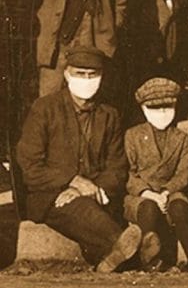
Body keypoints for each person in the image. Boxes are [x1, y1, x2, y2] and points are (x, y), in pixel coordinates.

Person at [16, 46, 140, 273]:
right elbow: (30, 166)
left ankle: (111, 258)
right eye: (80, 74)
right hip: (50, 195)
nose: (86, 80)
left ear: (102, 77)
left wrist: (91, 187)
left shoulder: (109, 114)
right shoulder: (45, 108)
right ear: (66, 74)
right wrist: (72, 181)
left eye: (93, 74)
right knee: (82, 209)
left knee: (88, 206)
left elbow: (117, 167)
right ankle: (131, 248)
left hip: (96, 194)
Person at [124, 77, 188, 272]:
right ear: (144, 109)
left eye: (167, 107)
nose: (162, 112)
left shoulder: (181, 138)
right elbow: (128, 173)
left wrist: (166, 191)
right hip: (140, 195)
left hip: (170, 192)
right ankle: (150, 258)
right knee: (148, 208)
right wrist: (148, 193)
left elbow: (184, 173)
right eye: (155, 108)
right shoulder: (132, 135)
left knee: (180, 206)